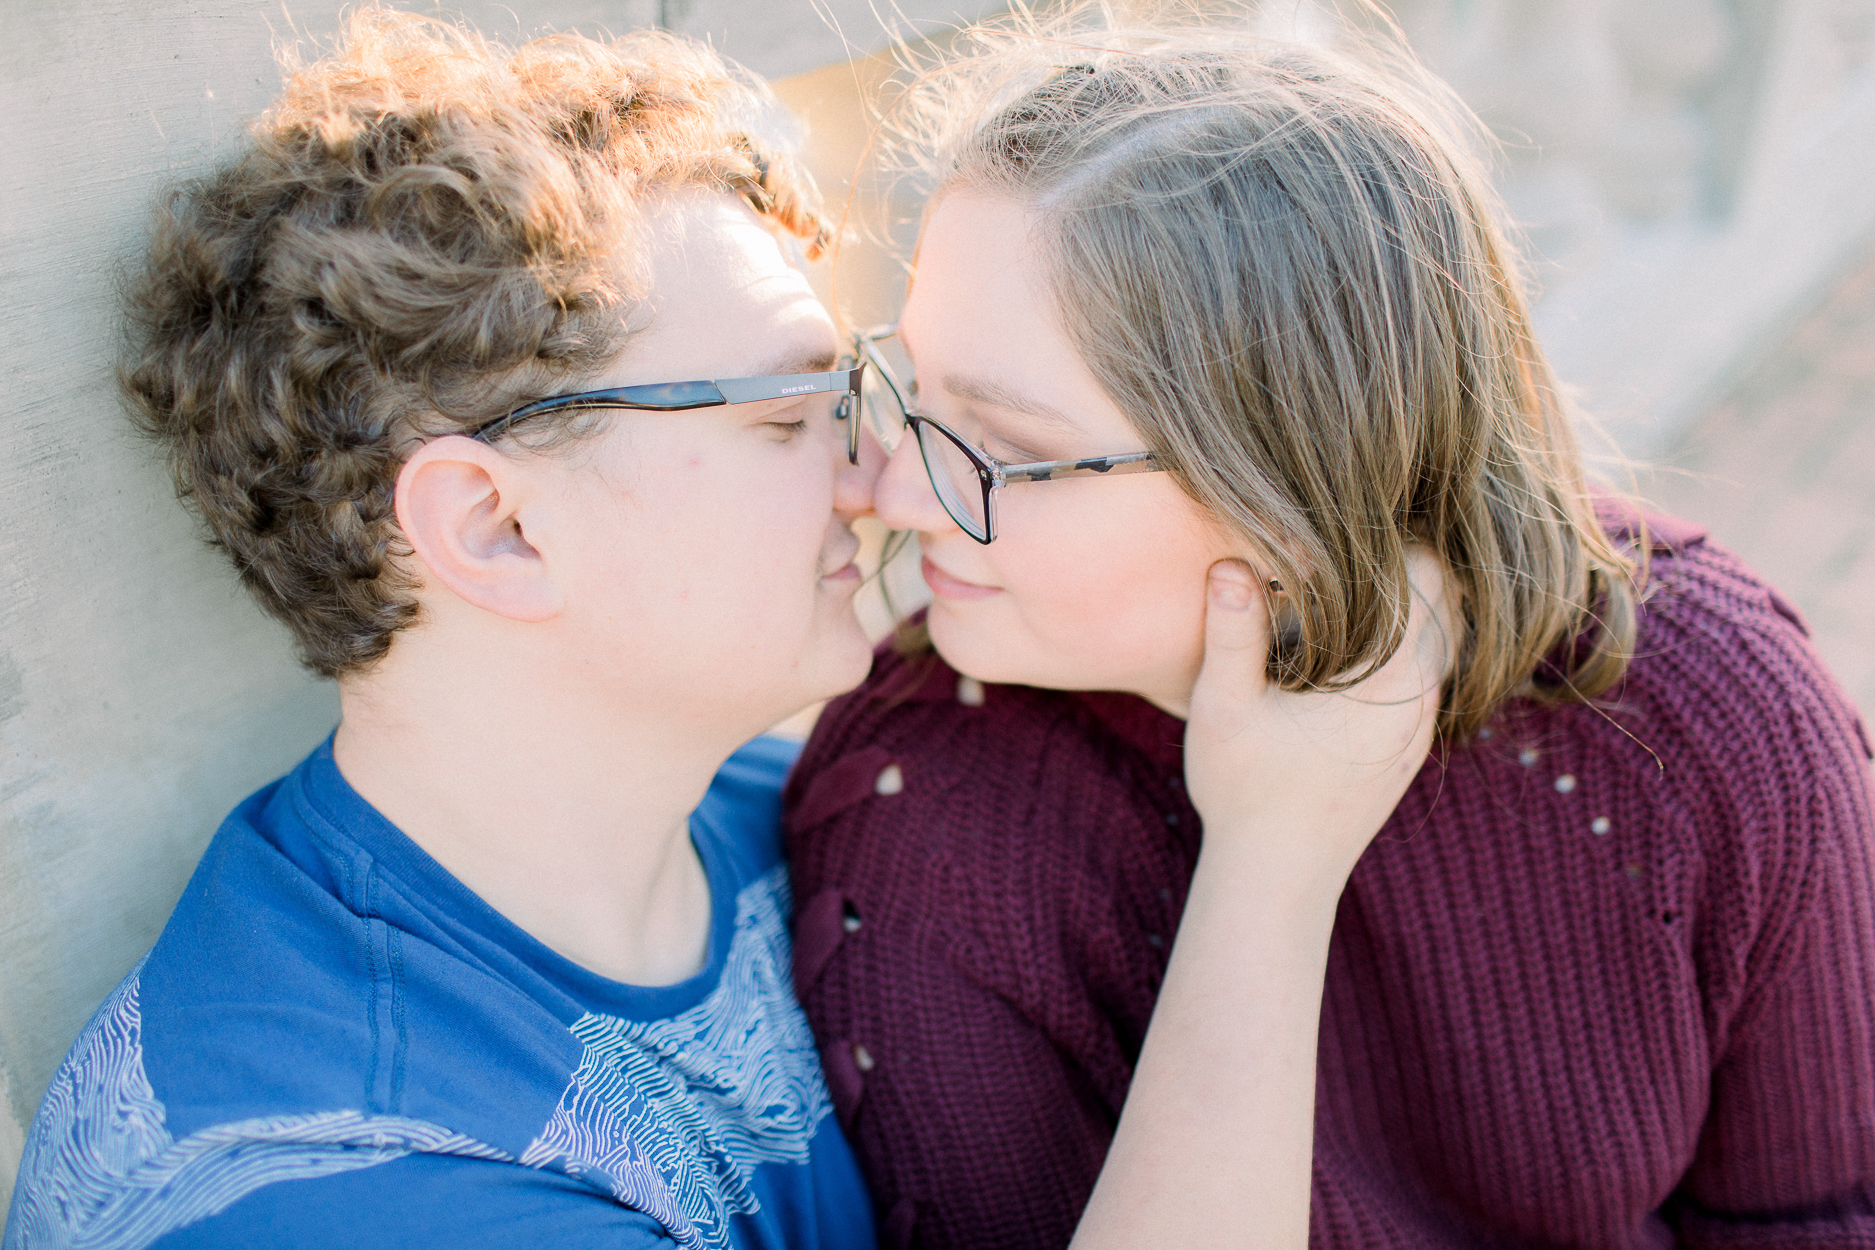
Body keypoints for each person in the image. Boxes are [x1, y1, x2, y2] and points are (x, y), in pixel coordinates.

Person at [4, 9, 1458, 1249]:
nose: (878, 476)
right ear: (497, 527)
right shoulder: (343, 1176)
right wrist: (1271, 866)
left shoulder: (814, 809)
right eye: (783, 420)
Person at [783, 13, 1875, 1250]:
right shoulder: (922, 817)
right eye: (912, 394)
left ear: (1287, 477)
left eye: (1003, 450)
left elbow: (1820, 1213)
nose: (889, 492)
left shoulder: (1693, 706)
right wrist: (1270, 864)